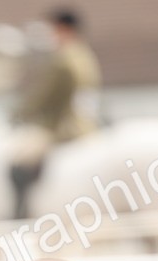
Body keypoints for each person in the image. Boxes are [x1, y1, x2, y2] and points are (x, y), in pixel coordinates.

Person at [9, 8, 101, 218]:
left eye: (52, 29)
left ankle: (20, 211)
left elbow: (45, 97)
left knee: (19, 161)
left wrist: (19, 113)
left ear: (62, 28)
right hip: (87, 123)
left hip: (63, 127)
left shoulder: (63, 60)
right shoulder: (84, 54)